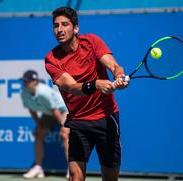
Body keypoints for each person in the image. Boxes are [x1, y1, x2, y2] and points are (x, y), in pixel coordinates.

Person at [45, 7, 129, 181]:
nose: (59, 29)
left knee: (110, 178)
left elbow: (114, 66)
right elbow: (71, 87)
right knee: (75, 177)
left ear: (76, 28)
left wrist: (119, 76)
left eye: (65, 24)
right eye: (56, 26)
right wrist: (95, 85)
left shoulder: (91, 42)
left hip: (106, 119)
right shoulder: (51, 59)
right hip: (79, 122)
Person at [20, 70, 70, 179]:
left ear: (35, 81)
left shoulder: (43, 92)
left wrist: (62, 125)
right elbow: (32, 110)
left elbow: (55, 110)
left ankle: (71, 168)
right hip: (49, 112)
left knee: (65, 134)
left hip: (63, 110)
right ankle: (38, 168)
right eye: (24, 81)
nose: (25, 83)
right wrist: (39, 125)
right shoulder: (24, 93)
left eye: (28, 81)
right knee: (39, 134)